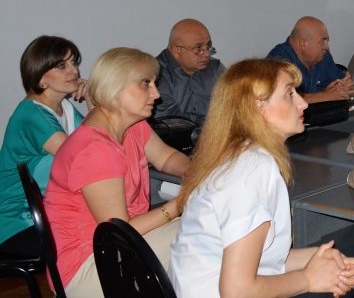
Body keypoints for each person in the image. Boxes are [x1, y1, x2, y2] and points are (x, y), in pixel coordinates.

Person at [170, 59, 354, 297]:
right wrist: (308, 279)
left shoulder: (234, 153)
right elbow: (237, 292)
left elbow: (265, 258)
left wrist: (321, 260)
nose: (303, 103)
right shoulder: (252, 169)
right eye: (290, 94)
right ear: (258, 108)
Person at [43, 47, 191, 298]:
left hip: (115, 245)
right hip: (88, 265)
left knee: (204, 229)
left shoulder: (131, 125)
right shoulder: (95, 150)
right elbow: (120, 229)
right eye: (145, 83)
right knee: (203, 234)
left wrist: (195, 173)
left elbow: (166, 157)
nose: (156, 93)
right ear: (115, 87)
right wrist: (179, 204)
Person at [0, 36, 88, 257]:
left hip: (47, 215)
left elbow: (97, 142)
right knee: (103, 233)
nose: (74, 70)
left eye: (73, 62)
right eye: (62, 65)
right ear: (40, 78)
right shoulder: (31, 114)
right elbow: (81, 159)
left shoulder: (64, 107)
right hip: (17, 225)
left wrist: (92, 97)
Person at [267, 17, 354, 102]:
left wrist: (348, 90)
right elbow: (279, 99)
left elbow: (348, 87)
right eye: (322, 41)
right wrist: (325, 96)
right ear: (303, 43)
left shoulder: (324, 57)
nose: (327, 47)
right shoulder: (278, 59)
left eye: (327, 41)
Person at [154, 19, 226, 123]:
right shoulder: (155, 71)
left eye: (208, 46)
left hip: (213, 131)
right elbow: (168, 117)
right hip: (171, 133)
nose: (207, 54)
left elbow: (235, 101)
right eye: (198, 48)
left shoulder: (215, 67)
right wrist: (214, 123)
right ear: (177, 51)